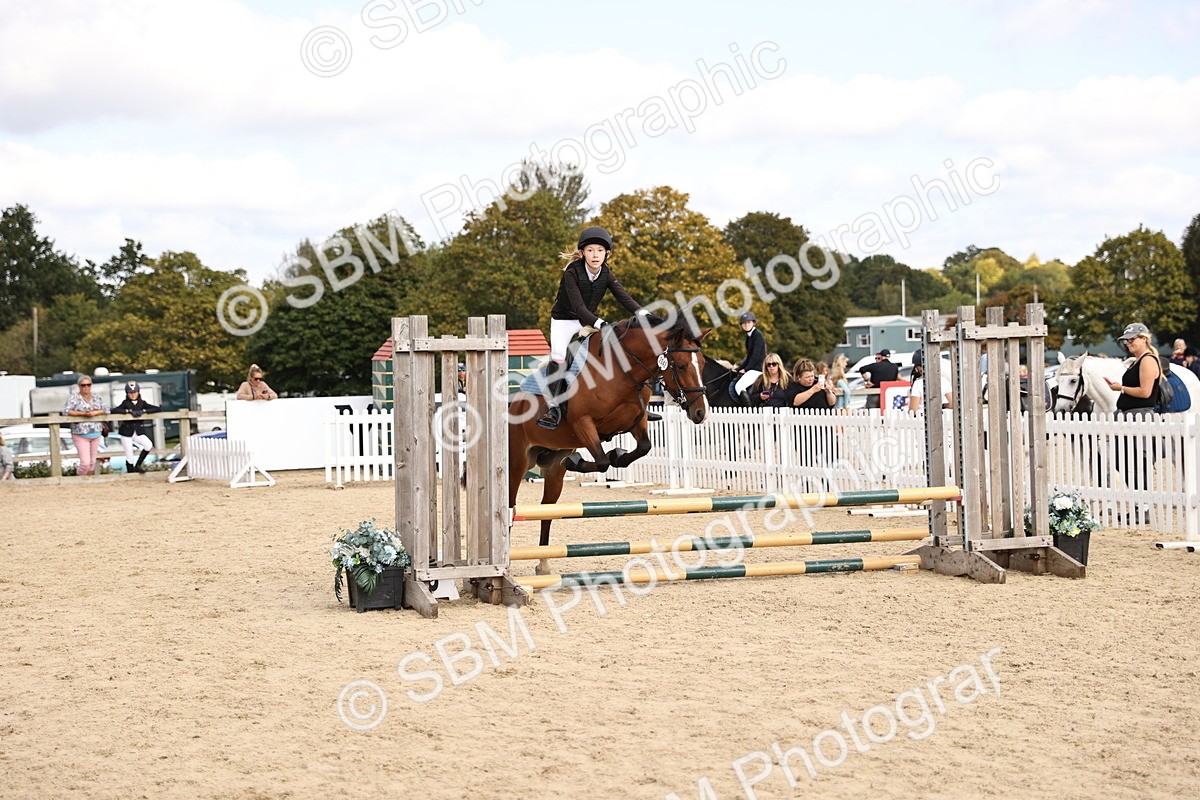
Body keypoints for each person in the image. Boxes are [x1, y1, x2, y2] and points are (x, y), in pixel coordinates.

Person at [538, 226, 646, 429]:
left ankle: (634, 404)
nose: (595, 255)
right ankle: (553, 408)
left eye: (599, 250)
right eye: (590, 250)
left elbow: (624, 297)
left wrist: (645, 314)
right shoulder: (572, 273)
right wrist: (600, 323)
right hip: (564, 321)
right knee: (559, 356)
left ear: (607, 254)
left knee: (615, 349)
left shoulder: (606, 274)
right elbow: (579, 307)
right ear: (582, 253)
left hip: (587, 321)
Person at [1105, 322, 1161, 492]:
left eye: (1131, 339)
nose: (1128, 343)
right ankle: (1138, 501)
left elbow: (1145, 392)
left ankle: (1143, 504)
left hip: (1139, 416)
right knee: (1123, 459)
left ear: (1143, 339)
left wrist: (1120, 388)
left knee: (1136, 461)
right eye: (1126, 340)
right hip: (1129, 415)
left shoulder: (1147, 360)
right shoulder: (1137, 361)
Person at [110, 381, 161, 473]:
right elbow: (114, 411)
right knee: (129, 454)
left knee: (148, 445)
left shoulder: (142, 403)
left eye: (135, 392)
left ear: (138, 392)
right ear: (127, 393)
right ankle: (130, 472)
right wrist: (128, 411)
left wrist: (144, 411)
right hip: (126, 432)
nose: (133, 395)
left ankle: (138, 465)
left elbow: (157, 408)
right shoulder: (125, 403)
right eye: (130, 393)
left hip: (138, 431)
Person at [64, 375, 108, 476]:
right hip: (80, 433)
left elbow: (106, 409)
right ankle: (80, 479)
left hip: (96, 433)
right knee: (85, 462)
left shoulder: (97, 397)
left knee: (92, 462)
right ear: (79, 386)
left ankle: (89, 481)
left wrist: (95, 413)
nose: (86, 387)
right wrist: (83, 414)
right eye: (83, 385)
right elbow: (67, 411)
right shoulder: (74, 397)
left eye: (88, 385)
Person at [907, 349, 952, 413]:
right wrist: (941, 406)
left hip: (921, 419)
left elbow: (913, 411)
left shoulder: (918, 383)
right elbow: (952, 404)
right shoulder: (944, 381)